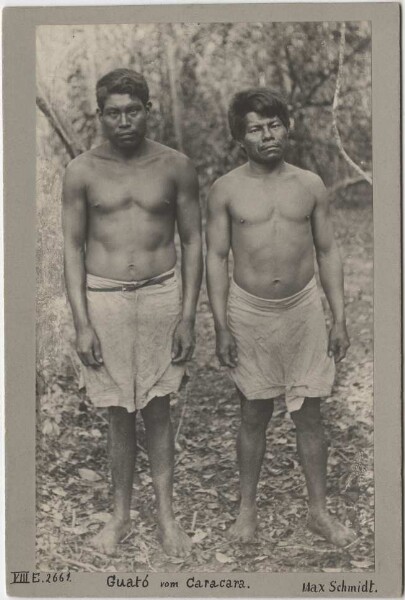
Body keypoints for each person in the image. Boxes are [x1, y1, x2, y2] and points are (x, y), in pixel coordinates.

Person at [206, 88, 355, 547]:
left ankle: (319, 512)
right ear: (240, 137)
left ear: (286, 127)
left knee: (310, 413)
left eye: (274, 125)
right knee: (254, 412)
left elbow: (327, 250)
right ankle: (246, 513)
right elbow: (215, 256)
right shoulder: (226, 189)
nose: (267, 135)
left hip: (303, 309)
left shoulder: (309, 184)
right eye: (255, 128)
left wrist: (339, 317)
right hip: (250, 311)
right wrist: (221, 324)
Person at [62, 69, 203, 557]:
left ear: (148, 109)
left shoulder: (175, 166)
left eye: (133, 110)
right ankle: (119, 517)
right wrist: (82, 323)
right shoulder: (82, 170)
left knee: (158, 411)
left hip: (161, 294)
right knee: (119, 414)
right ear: (100, 115)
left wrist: (188, 315)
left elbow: (192, 240)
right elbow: (73, 247)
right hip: (104, 299)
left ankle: (166, 518)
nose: (124, 121)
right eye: (114, 113)